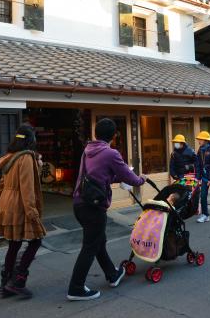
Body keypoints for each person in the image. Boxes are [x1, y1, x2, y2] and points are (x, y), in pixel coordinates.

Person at [67, 118, 146, 301]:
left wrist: (113, 179)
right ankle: (76, 288)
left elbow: (96, 177)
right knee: (90, 246)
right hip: (93, 206)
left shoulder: (87, 151)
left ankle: (112, 274)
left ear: (96, 133)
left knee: (98, 241)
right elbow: (129, 177)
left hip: (79, 203)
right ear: (113, 135)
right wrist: (141, 179)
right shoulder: (111, 153)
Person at [0, 124, 46, 298]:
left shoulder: (10, 157)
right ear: (31, 141)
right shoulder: (27, 159)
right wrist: (33, 214)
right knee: (36, 241)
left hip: (6, 205)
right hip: (20, 206)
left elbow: (1, 184)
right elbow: (27, 189)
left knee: (14, 244)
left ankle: (5, 285)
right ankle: (18, 281)